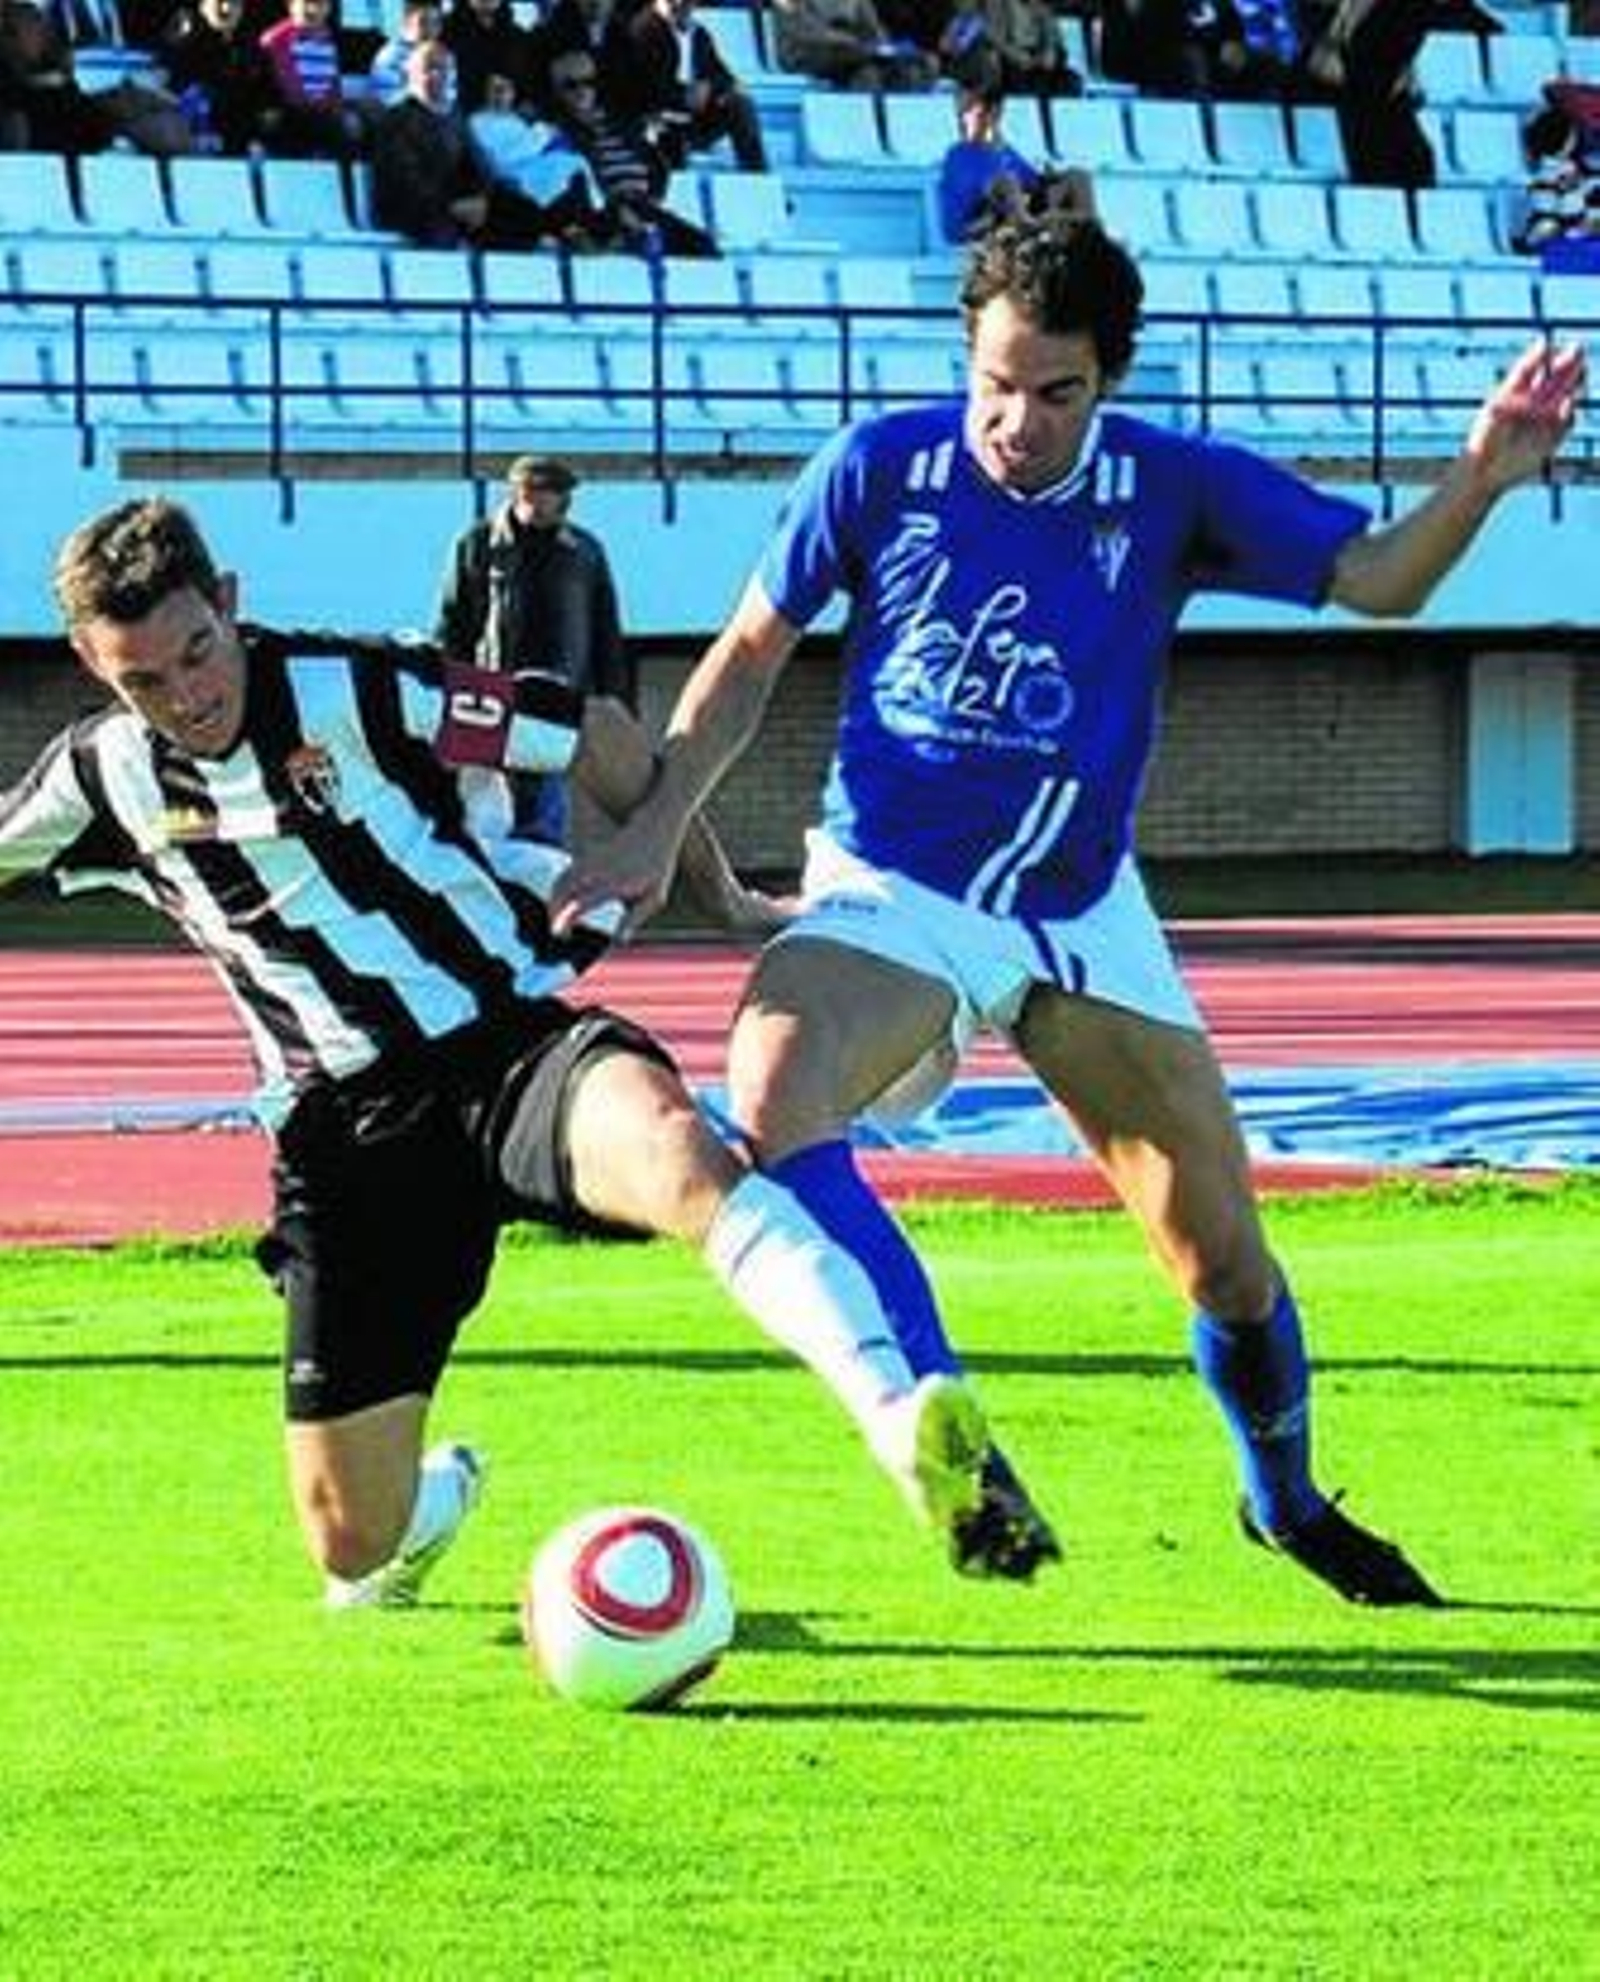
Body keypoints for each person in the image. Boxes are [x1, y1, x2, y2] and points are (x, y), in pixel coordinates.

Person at [553, 209, 1587, 1601]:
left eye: (1055, 393)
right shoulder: (876, 469)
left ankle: (1283, 1502)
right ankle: (947, 1438)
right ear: (965, 351)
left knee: (1223, 1265)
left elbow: (1381, 582)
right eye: (994, 381)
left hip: (1085, 915)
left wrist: (1481, 476)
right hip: (891, 891)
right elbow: (745, 660)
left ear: (1108, 380)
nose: (1015, 419)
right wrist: (661, 829)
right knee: (776, 1081)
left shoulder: (1172, 489)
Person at [0, 496, 998, 1610]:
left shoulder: (369, 692)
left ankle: (894, 1415)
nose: (187, 694)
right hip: (345, 1138)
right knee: (349, 1546)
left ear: (227, 601)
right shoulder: (95, 782)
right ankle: (428, 1506)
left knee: (680, 1154)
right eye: (143, 678)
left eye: (196, 650)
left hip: (505, 1047)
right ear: (92, 666)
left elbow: (602, 740)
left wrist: (700, 883)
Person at [435, 453, 630, 844]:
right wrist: (447, 687)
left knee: (544, 806)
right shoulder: (475, 544)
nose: (543, 503)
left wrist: (611, 698)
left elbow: (605, 630)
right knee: (484, 812)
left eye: (553, 495)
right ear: (517, 492)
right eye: (535, 493)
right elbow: (452, 624)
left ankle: (540, 885)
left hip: (557, 698)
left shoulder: (585, 552)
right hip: (489, 696)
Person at [371, 37, 596, 250]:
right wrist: (451, 207)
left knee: (523, 207)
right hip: (421, 212)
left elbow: (478, 167)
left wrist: (485, 195)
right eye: (430, 68)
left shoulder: (454, 118)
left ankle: (575, 231)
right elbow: (404, 182)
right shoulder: (397, 121)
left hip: (462, 206)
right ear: (411, 74)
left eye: (445, 70)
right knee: (512, 226)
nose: (438, 76)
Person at [605, 0, 766, 174]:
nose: (692, 7)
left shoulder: (699, 34)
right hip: (656, 120)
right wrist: (683, 94)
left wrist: (710, 87)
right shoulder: (642, 29)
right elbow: (639, 87)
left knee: (740, 103)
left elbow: (721, 74)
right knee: (669, 149)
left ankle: (758, 175)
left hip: (695, 121)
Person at [937, 79, 1042, 245]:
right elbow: (968, 198)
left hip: (1006, 211)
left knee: (1076, 177)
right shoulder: (957, 154)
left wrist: (1052, 177)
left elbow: (1033, 180)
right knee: (1006, 182)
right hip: (972, 224)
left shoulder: (1003, 149)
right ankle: (1026, 227)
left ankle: (1087, 231)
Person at [769, 0, 939, 92]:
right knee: (867, 72)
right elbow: (804, 32)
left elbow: (875, 33)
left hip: (853, 53)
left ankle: (903, 132)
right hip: (805, 52)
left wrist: (887, 51)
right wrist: (858, 45)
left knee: (923, 64)